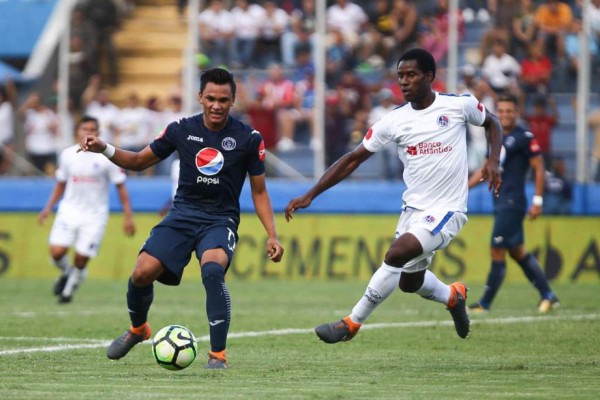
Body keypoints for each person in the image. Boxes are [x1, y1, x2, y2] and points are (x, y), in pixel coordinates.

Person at [284, 48, 503, 343]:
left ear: (429, 77)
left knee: (396, 253)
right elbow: (353, 158)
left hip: (448, 209)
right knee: (409, 282)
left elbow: (493, 123)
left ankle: (351, 323)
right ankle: (453, 296)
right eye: (400, 76)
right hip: (413, 209)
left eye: (411, 75)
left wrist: (493, 160)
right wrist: (311, 193)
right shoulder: (394, 121)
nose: (404, 82)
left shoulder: (459, 105)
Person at [78, 68, 284, 369]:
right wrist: (104, 148)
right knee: (140, 273)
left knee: (213, 271)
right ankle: (138, 329)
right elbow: (137, 161)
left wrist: (272, 234)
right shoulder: (180, 130)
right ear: (200, 97)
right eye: (210, 98)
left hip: (220, 220)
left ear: (233, 101)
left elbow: (260, 191)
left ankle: (218, 355)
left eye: (223, 100)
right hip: (182, 214)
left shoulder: (248, 138)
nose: (216, 105)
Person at [467, 94, 560, 313]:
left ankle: (485, 304)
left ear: (517, 113)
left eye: (509, 111)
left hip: (513, 201)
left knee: (496, 249)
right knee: (517, 252)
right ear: (496, 113)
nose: (505, 115)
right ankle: (548, 295)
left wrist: (538, 200)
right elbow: (485, 170)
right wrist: (463, 187)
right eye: (501, 111)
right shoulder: (494, 137)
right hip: (500, 201)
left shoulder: (524, 137)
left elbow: (539, 168)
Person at [38, 115, 136, 303]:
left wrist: (128, 217)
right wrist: (48, 208)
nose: (89, 133)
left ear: (98, 133)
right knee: (57, 252)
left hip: (95, 215)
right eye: (85, 129)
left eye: (93, 130)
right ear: (78, 131)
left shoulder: (107, 157)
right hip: (69, 210)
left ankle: (67, 292)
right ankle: (67, 272)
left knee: (81, 259)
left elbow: (121, 186)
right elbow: (60, 183)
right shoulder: (67, 155)